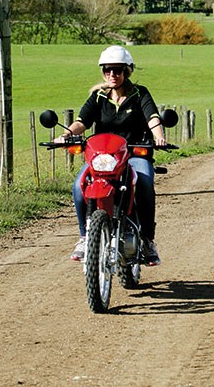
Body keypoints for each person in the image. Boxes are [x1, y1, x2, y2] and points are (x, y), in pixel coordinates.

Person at [56, 45, 166, 266]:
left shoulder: (139, 93)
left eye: (117, 70)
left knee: (144, 182)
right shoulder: (98, 97)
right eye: (107, 70)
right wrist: (65, 135)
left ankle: (147, 240)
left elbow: (152, 117)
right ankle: (85, 237)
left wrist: (159, 136)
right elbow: (82, 122)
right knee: (79, 185)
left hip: (133, 154)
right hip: (103, 156)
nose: (112, 75)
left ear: (127, 71)